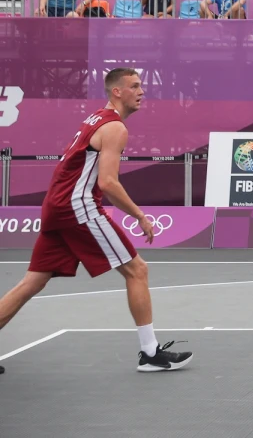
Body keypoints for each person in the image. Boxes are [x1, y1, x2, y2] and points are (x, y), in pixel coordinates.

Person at [0, 68, 192, 373]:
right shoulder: (115, 127)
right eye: (134, 86)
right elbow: (108, 183)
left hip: (56, 206)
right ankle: (150, 353)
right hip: (77, 207)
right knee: (137, 270)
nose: (142, 91)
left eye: (141, 85)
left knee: (32, 281)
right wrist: (140, 215)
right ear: (117, 92)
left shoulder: (95, 119)